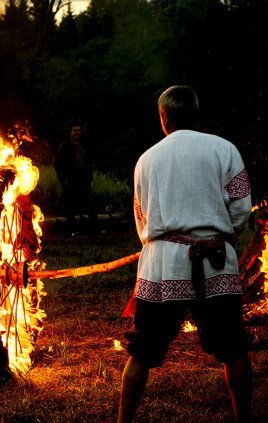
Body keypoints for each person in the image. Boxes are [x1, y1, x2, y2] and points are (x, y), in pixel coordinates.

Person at [118, 86, 253, 422]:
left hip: (163, 264)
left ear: (164, 117)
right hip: (216, 261)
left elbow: (141, 217)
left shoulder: (147, 159)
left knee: (143, 351)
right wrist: (219, 234)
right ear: (195, 113)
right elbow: (241, 207)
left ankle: (123, 421)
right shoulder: (224, 149)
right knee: (233, 349)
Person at [53, 118, 98, 233]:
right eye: (74, 130)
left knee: (90, 203)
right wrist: (64, 180)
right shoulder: (64, 147)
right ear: (70, 132)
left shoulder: (85, 146)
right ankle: (72, 230)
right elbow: (58, 165)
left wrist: (89, 177)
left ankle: (95, 228)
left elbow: (89, 162)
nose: (77, 132)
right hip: (70, 179)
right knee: (70, 206)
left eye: (79, 130)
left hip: (83, 179)